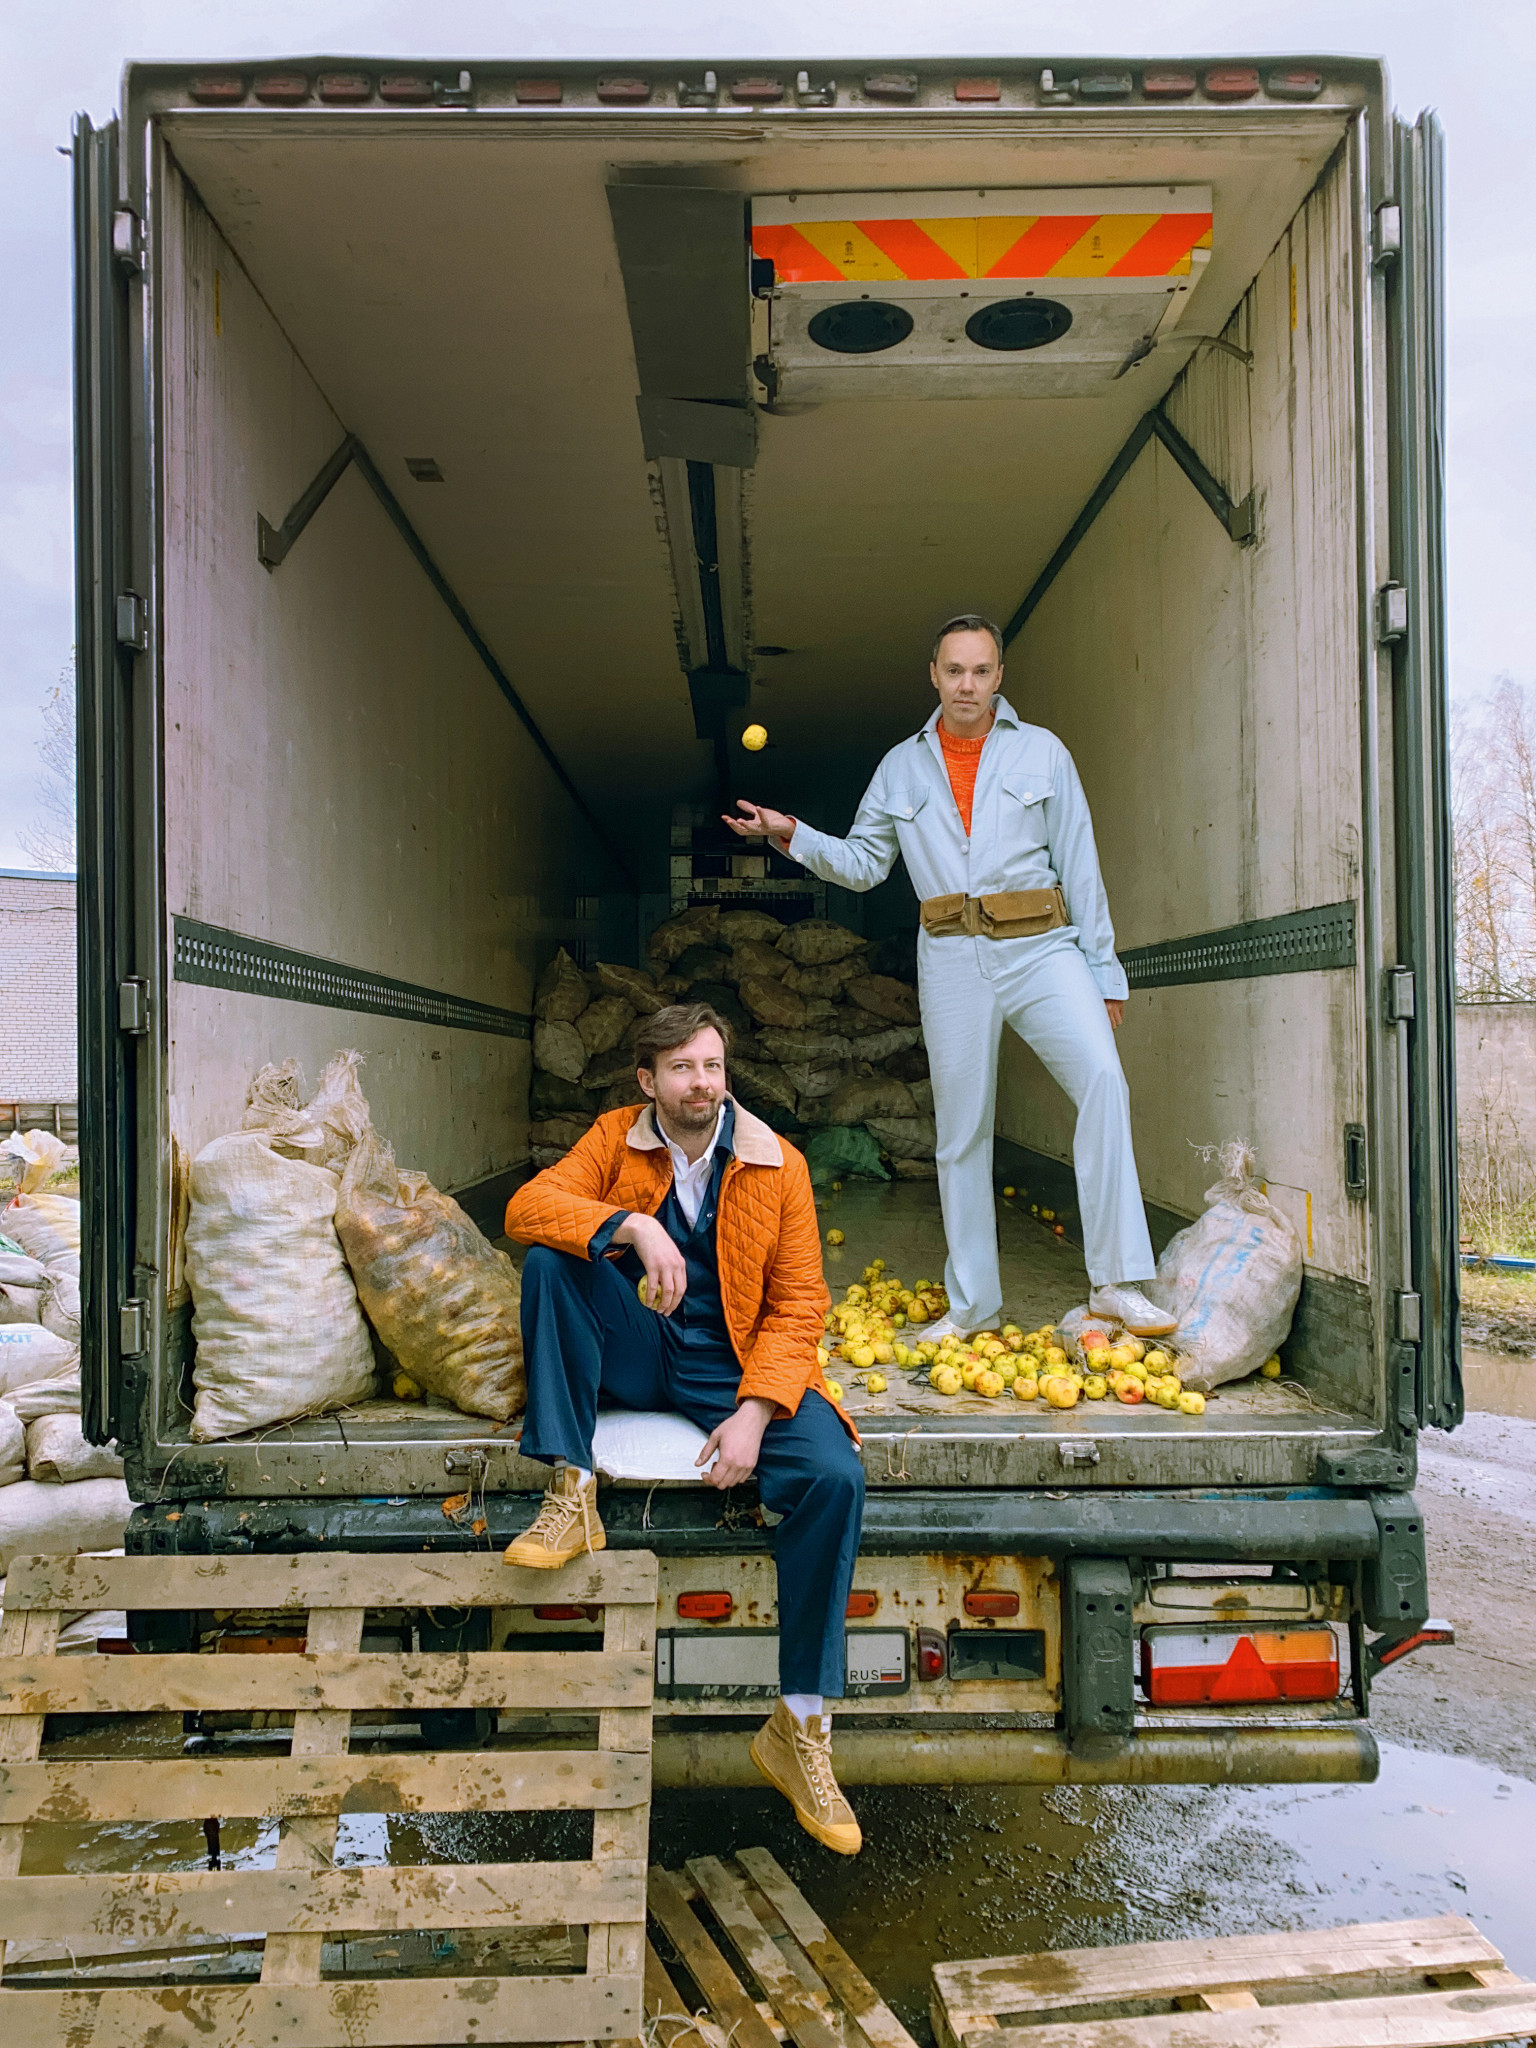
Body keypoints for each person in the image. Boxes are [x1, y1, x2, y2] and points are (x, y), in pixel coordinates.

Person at [724, 614, 1174, 1342]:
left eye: (981, 671)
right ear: (933, 676)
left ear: (1000, 677)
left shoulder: (1043, 752)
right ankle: (973, 1309)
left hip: (1043, 947)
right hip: (952, 957)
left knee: (1103, 1080)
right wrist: (792, 834)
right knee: (961, 1132)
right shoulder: (901, 767)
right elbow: (866, 865)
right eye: (954, 670)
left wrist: (1104, 970)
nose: (968, 684)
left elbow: (1080, 862)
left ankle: (1116, 1282)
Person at [503, 1002, 867, 1854]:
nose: (702, 1084)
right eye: (682, 1069)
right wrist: (628, 1225)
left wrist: (755, 1412)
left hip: (731, 1358)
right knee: (551, 1262)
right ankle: (572, 1490)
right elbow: (527, 1206)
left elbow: (799, 1306)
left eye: (712, 1066)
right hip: (639, 1338)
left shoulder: (778, 1163)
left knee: (834, 1475)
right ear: (648, 1081)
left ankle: (800, 1726)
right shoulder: (614, 1138)